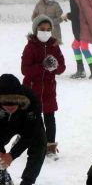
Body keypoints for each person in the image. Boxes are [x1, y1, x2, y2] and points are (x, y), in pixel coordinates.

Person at [0, 74, 47, 185]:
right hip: (3, 127)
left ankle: (27, 183)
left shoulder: (31, 99)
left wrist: (11, 155)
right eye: (6, 104)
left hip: (28, 126)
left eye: (14, 104)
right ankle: (3, 179)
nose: (10, 107)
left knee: (39, 144)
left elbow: (32, 133)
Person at [22, 15, 66, 160]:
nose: (45, 32)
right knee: (33, 119)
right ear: (36, 30)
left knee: (50, 118)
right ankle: (28, 141)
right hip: (32, 89)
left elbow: (62, 67)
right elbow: (25, 70)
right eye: (42, 29)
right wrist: (43, 66)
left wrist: (55, 67)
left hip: (49, 90)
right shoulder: (30, 47)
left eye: (48, 29)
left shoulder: (54, 46)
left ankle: (50, 147)